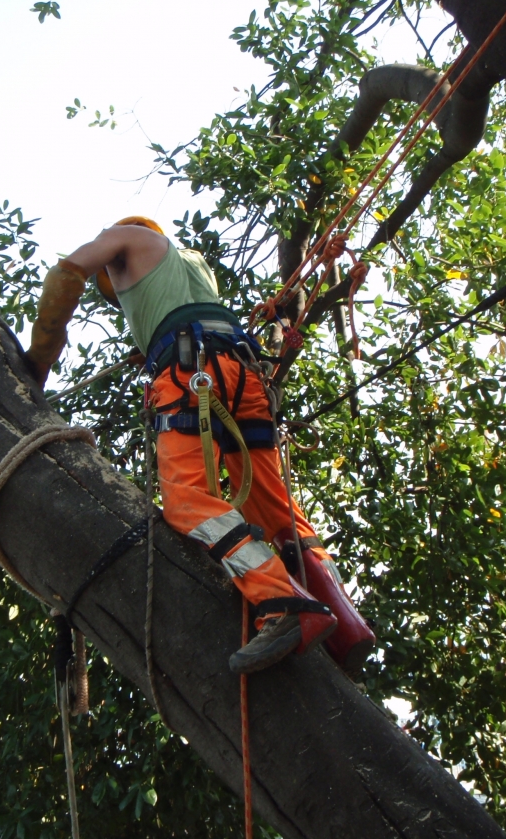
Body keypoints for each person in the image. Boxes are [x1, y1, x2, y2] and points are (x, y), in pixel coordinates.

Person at [27, 217, 375, 674]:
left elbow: (66, 275)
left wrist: (38, 360)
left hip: (193, 373)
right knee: (273, 506)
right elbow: (180, 311)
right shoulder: (192, 263)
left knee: (188, 500)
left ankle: (284, 602)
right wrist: (151, 345)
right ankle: (345, 621)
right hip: (242, 370)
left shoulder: (126, 238)